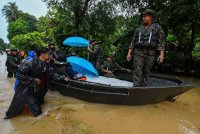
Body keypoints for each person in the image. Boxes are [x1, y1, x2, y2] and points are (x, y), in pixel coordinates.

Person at [5, 47, 69, 119]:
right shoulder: (30, 62)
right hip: (27, 91)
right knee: (38, 113)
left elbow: (52, 74)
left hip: (39, 90)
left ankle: (28, 105)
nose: (50, 55)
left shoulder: (46, 64)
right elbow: (19, 75)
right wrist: (34, 80)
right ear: (43, 54)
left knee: (41, 103)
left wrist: (63, 78)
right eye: (48, 54)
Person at [127, 9, 165, 87]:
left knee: (146, 71)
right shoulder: (138, 29)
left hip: (150, 53)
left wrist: (161, 55)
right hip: (138, 52)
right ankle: (136, 88)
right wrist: (129, 53)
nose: (143, 18)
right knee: (137, 71)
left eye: (145, 16)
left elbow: (161, 41)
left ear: (150, 16)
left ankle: (143, 89)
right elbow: (133, 41)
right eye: (143, 16)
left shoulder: (157, 27)